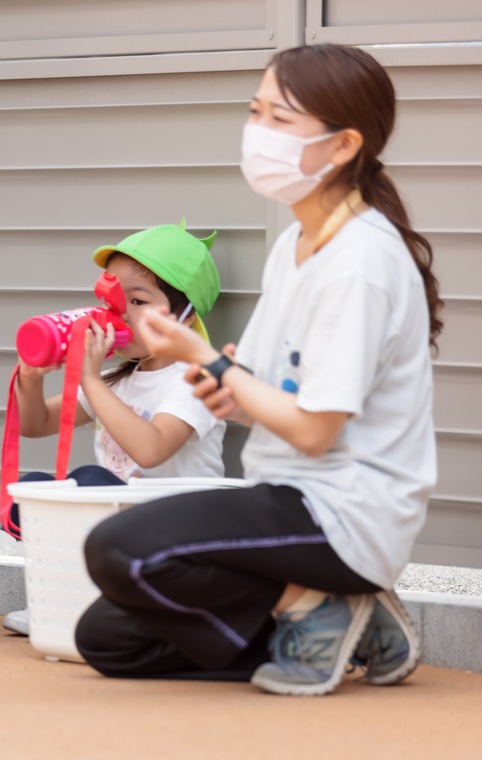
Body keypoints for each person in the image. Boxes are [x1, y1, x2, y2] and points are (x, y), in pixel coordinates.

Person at [74, 43, 441, 696]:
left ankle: (317, 605)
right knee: (107, 638)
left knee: (117, 549)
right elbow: (272, 392)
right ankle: (351, 626)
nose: (258, 132)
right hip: (283, 497)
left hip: (343, 514)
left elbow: (316, 431)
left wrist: (202, 358)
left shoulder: (360, 263)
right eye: (255, 112)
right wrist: (229, 391)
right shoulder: (293, 244)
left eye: (280, 118)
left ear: (343, 145)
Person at [2, 223, 227, 635]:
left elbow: (152, 450)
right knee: (32, 491)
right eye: (113, 299)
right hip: (119, 524)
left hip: (178, 532)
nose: (119, 312)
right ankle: (70, 600)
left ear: (186, 316)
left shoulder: (195, 380)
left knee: (90, 483)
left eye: (137, 301)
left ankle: (93, 604)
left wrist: (89, 379)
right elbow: (36, 425)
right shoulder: (116, 379)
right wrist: (31, 379)